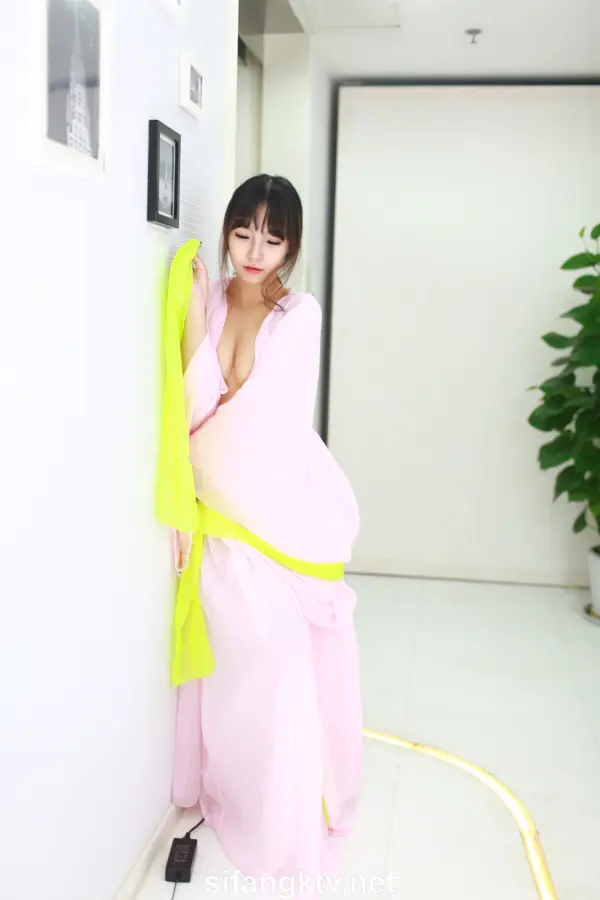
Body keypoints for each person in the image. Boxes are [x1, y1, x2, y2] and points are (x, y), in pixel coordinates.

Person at [168, 174, 362, 881]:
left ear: (291, 246)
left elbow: (269, 426)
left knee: (279, 662)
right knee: (231, 670)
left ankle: (283, 814)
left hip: (272, 516)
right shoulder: (215, 299)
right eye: (243, 232)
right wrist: (197, 319)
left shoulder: (298, 314)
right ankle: (233, 792)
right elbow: (192, 409)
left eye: (272, 239)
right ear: (226, 230)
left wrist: (210, 451)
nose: (254, 251)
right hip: (218, 524)